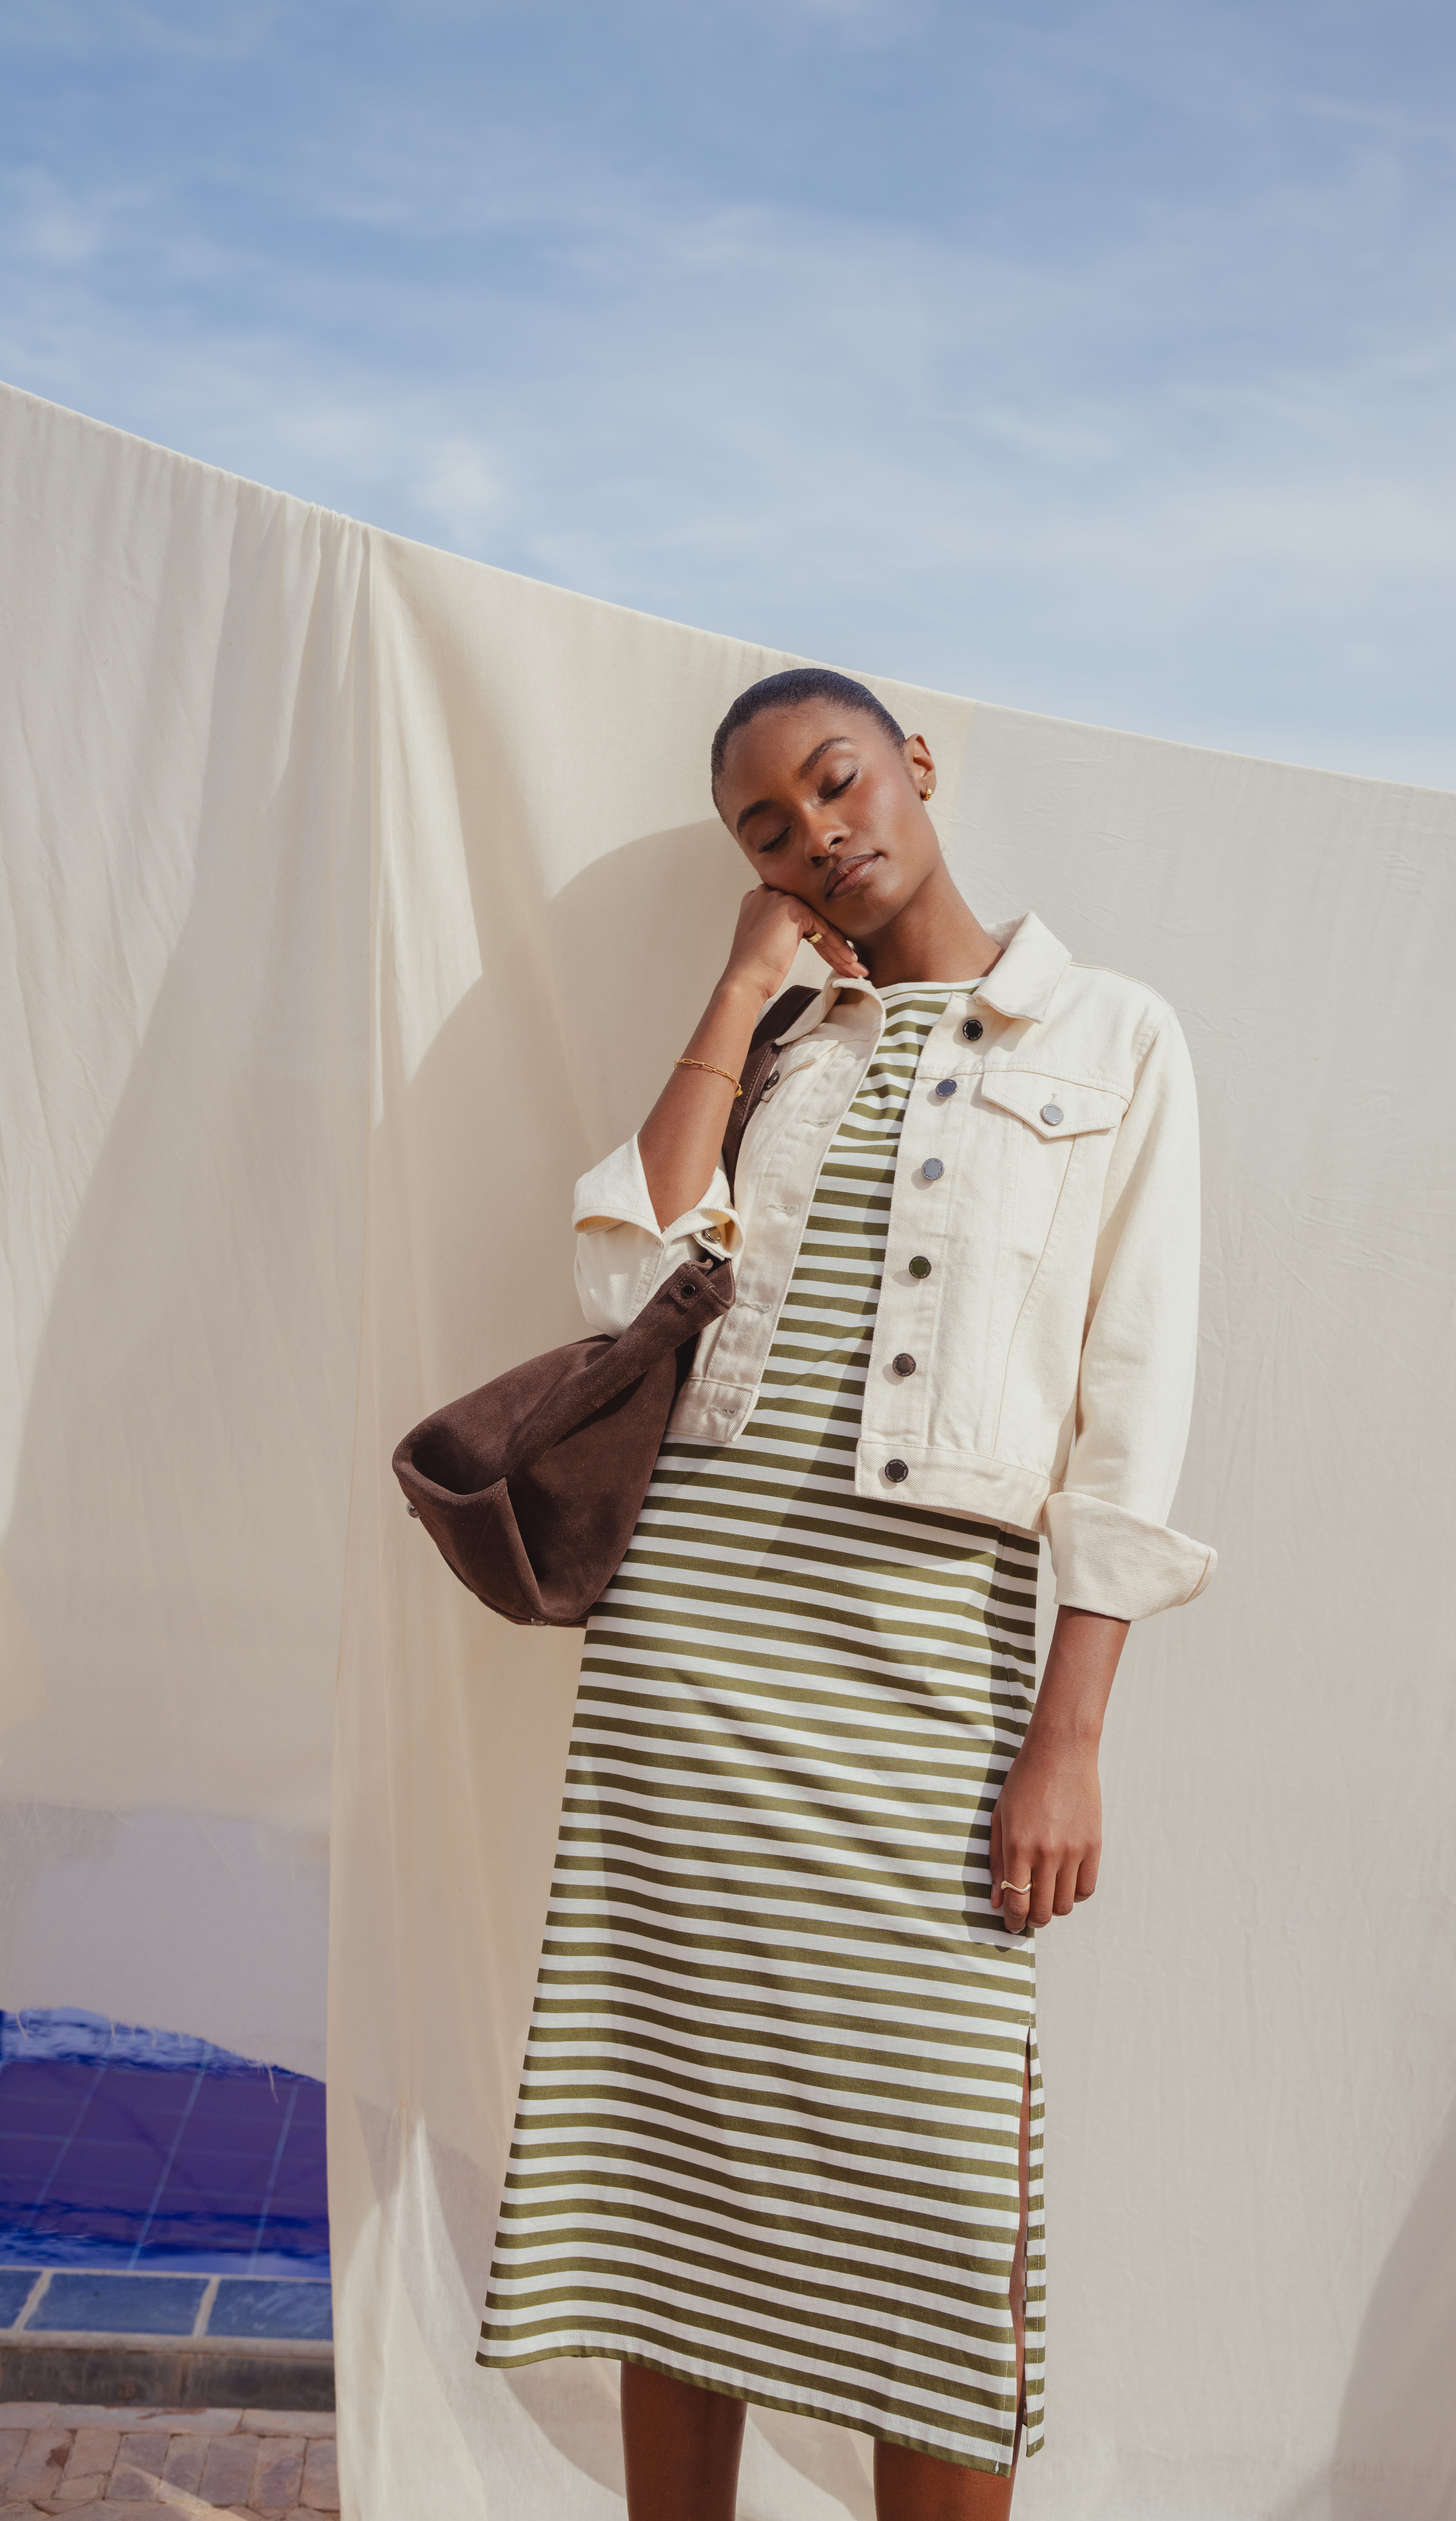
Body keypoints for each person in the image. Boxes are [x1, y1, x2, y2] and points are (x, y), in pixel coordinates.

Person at [477, 667, 1215, 2519]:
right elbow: (620, 1274)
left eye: (840, 785)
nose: (824, 835)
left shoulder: (1114, 1037)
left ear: (919, 768)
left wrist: (1072, 1737)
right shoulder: (783, 1044)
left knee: (941, 2220)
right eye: (773, 824)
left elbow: (1133, 1411)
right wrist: (739, 989)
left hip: (925, 1669)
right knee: (681, 2173)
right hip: (694, 1652)